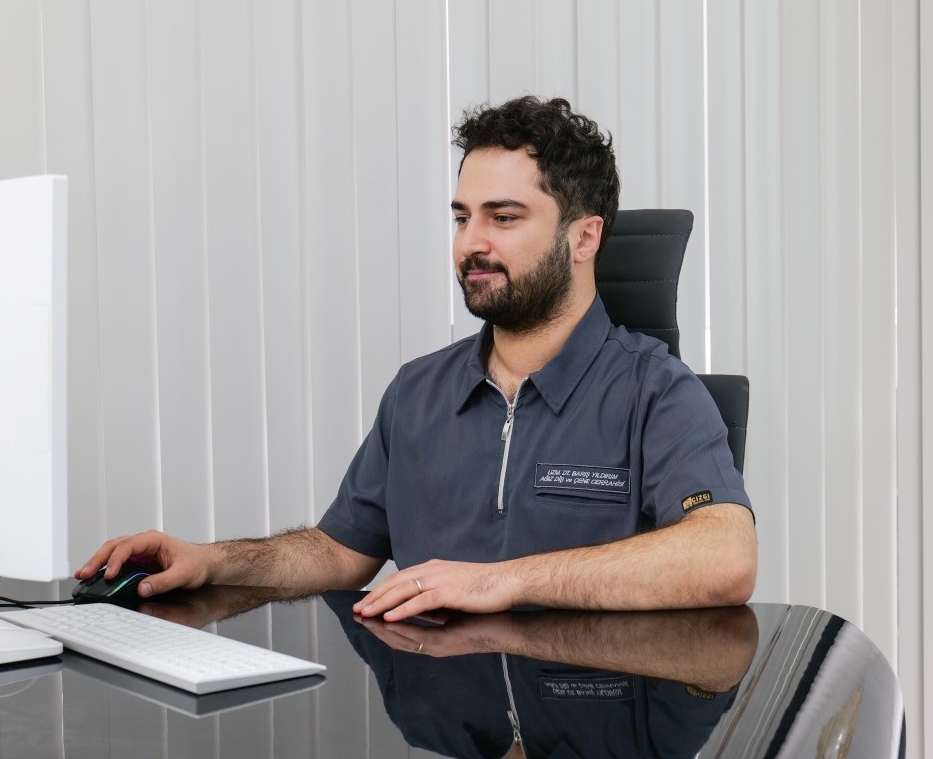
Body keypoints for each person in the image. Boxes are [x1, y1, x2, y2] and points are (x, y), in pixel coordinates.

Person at [76, 96, 757, 619]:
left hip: (584, 726)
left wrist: (502, 578)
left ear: (584, 238)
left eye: (504, 217)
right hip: (447, 726)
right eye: (463, 217)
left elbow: (725, 555)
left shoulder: (657, 392)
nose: (471, 244)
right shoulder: (418, 392)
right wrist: (208, 560)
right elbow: (338, 551)